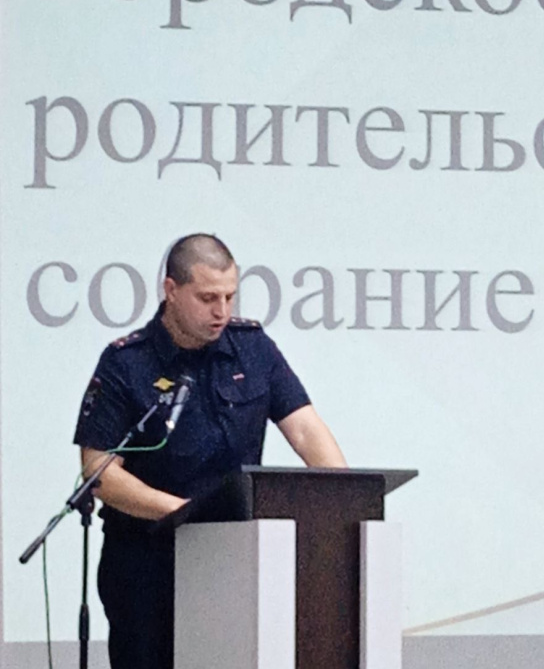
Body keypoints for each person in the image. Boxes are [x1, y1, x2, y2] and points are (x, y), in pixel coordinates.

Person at [74, 233, 346, 669]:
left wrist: (342, 499)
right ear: (171, 290)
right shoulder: (127, 362)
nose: (222, 311)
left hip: (235, 559)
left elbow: (305, 430)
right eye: (207, 298)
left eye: (229, 297)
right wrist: (183, 514)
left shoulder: (252, 348)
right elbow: (99, 470)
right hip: (148, 563)